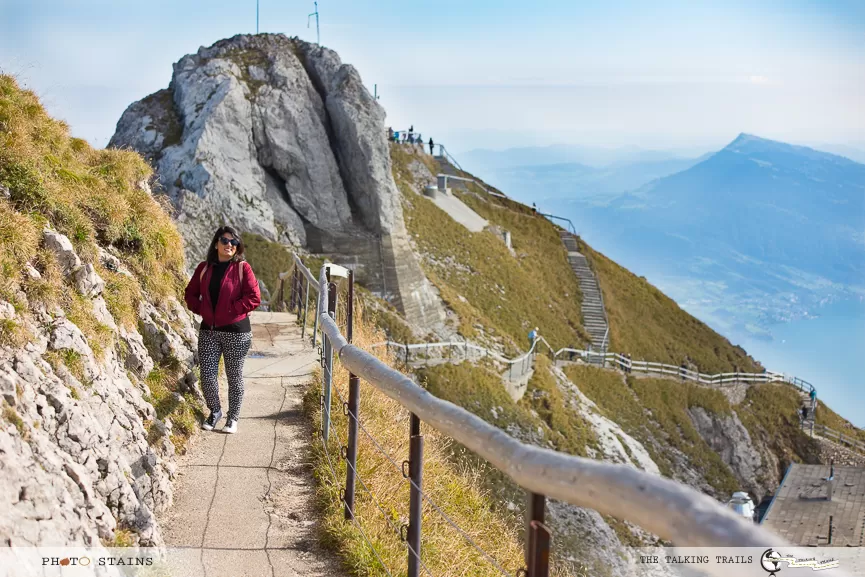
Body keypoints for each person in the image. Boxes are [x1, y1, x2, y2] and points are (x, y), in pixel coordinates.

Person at [184, 226, 261, 434]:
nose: (229, 245)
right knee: (207, 376)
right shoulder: (204, 268)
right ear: (216, 243)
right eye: (225, 241)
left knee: (234, 376)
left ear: (238, 247)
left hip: (237, 333)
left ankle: (232, 418)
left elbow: (254, 297)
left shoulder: (243, 268)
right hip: (209, 331)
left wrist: (232, 310)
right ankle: (215, 411)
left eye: (234, 242)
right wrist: (202, 309)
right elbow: (190, 294)